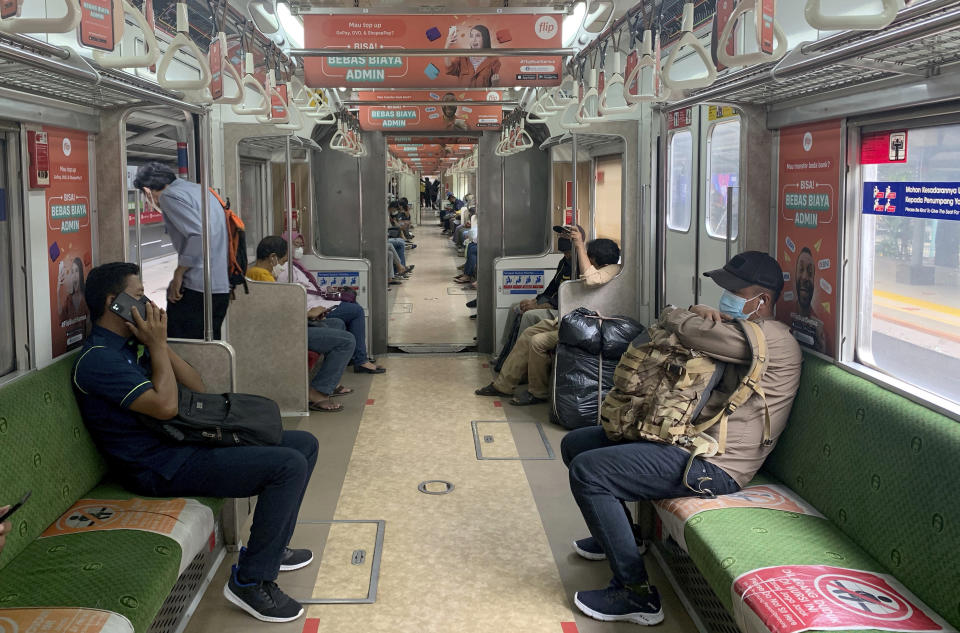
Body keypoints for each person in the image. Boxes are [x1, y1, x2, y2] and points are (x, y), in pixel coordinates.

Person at [561, 251, 802, 625]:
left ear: (764, 300)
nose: (727, 298)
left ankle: (636, 594)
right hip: (691, 444)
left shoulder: (769, 339)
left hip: (715, 466)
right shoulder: (744, 331)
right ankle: (627, 536)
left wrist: (686, 310)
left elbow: (687, 329)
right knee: (576, 444)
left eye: (737, 291)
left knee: (588, 472)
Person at [73, 262, 318, 622]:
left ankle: (272, 549)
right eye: (139, 297)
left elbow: (195, 385)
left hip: (181, 445)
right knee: (287, 466)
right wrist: (154, 346)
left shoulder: (130, 345)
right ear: (114, 302)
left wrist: (159, 344)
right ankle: (251, 581)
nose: (149, 307)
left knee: (303, 445)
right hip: (157, 466)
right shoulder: (98, 360)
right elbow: (166, 405)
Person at [477, 231, 621, 404]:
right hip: (574, 320)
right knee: (529, 333)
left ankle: (538, 392)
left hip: (590, 327)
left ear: (597, 259)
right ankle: (503, 384)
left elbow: (590, 280)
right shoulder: (579, 265)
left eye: (589, 257)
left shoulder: (613, 270)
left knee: (537, 341)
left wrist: (580, 245)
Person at [246, 237, 357, 410]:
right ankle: (317, 393)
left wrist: (311, 315)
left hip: (290, 324)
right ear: (273, 257)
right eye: (283, 261)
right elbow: (276, 316)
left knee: (336, 324)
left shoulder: (261, 274)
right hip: (286, 331)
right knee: (347, 341)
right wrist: (307, 314)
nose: (283, 266)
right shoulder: (261, 277)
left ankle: (328, 382)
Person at [133, 163, 230, 340]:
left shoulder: (169, 196)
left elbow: (199, 234)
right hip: (219, 287)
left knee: (183, 349)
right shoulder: (201, 191)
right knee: (208, 350)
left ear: (147, 191)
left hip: (197, 288)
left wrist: (180, 271)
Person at [278, 232, 387, 375]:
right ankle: (360, 360)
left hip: (316, 302)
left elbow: (309, 288)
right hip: (311, 307)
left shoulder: (295, 265)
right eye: (295, 245)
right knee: (356, 311)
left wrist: (325, 290)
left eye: (300, 245)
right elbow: (295, 294)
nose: (299, 249)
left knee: (351, 310)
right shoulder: (286, 270)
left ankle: (356, 357)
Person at [496, 226, 583, 363]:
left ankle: (518, 363)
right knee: (516, 308)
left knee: (529, 315)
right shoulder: (563, 262)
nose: (565, 254)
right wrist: (535, 301)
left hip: (564, 309)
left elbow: (575, 298)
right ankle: (506, 352)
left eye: (566, 236)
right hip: (553, 302)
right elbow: (552, 287)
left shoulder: (581, 265)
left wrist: (544, 305)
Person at [791, 246, 827, 354]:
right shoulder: (782, 315)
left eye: (810, 272)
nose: (805, 277)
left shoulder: (822, 330)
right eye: (801, 270)